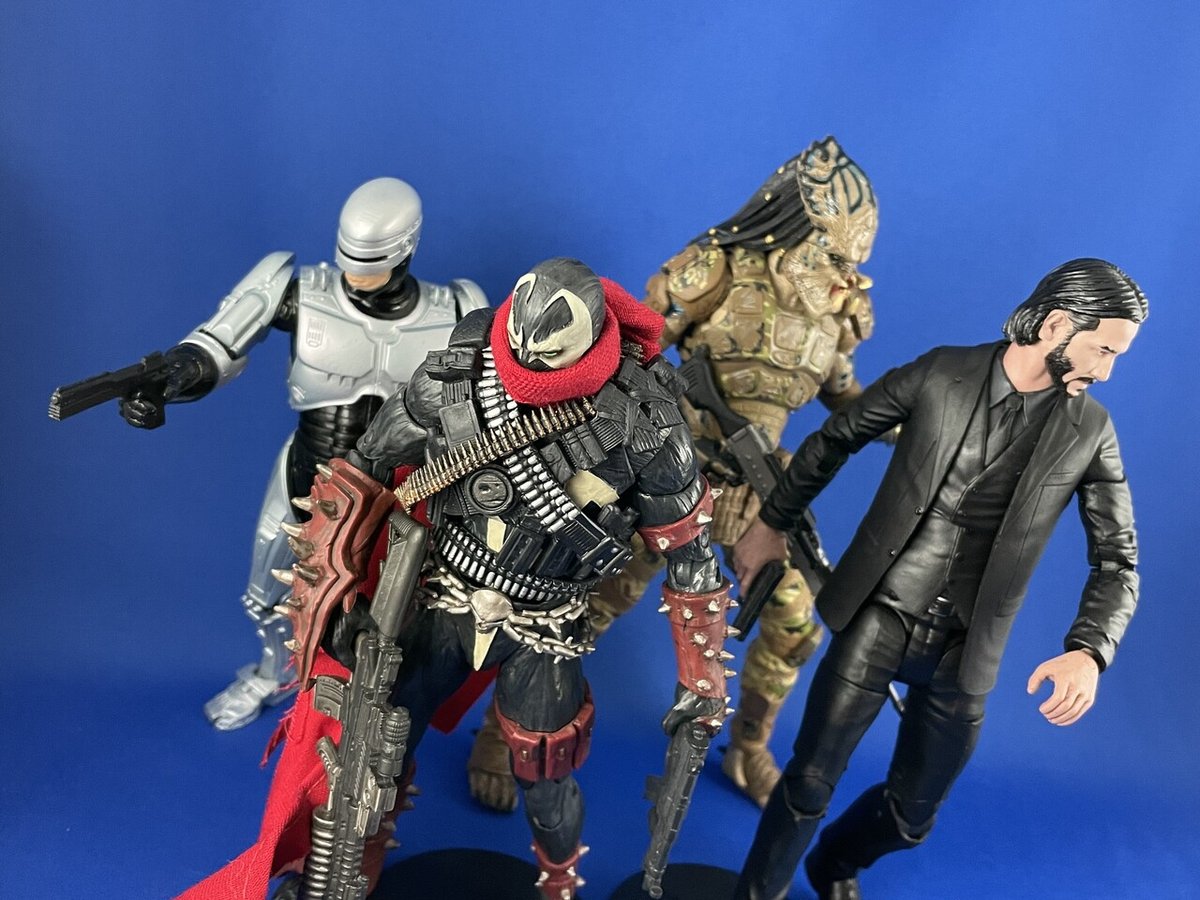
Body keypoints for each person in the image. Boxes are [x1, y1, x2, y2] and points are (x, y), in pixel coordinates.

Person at [179, 258, 732, 900]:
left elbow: (691, 554)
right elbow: (362, 471)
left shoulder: (644, 417)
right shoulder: (464, 372)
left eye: (547, 353)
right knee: (376, 747)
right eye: (519, 346)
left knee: (545, 774)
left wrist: (701, 680)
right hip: (443, 596)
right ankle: (354, 870)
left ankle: (559, 882)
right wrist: (333, 598)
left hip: (545, 623)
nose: (526, 362)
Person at [466, 136, 885, 812]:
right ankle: (499, 733)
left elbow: (845, 396)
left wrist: (913, 415)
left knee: (794, 623)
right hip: (665, 473)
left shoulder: (837, 308)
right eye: (832, 251)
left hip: (758, 496)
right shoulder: (716, 269)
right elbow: (632, 346)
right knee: (578, 608)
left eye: (849, 258)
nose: (844, 270)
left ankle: (749, 746)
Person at [732, 257, 1145, 900]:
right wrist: (769, 523)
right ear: (1057, 325)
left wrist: (1089, 650)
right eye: (1103, 349)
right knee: (808, 781)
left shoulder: (1090, 431)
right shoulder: (941, 373)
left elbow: (1117, 560)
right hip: (881, 613)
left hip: (965, 646)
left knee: (911, 818)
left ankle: (833, 863)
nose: (1107, 370)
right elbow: (836, 438)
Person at [112, 177, 487, 729]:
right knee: (268, 590)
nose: (356, 279)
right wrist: (171, 380)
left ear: (405, 249)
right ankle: (274, 673)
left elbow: (488, 398)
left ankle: (371, 703)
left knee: (400, 609)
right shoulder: (302, 291)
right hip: (309, 472)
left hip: (406, 491)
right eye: (350, 264)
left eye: (371, 267)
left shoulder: (457, 308)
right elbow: (217, 345)